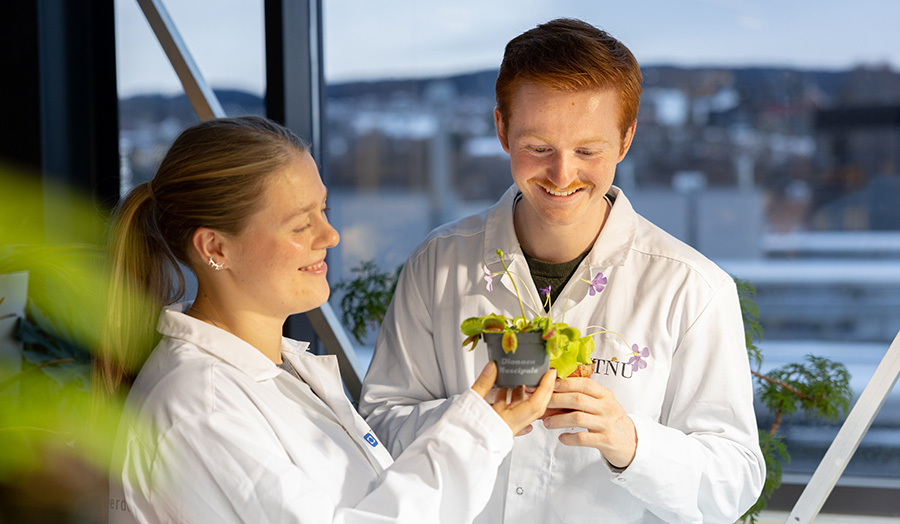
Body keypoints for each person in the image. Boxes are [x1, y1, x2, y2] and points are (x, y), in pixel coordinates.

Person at [360, 18, 766, 524]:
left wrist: (629, 440)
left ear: (625, 140)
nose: (562, 175)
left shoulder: (692, 288)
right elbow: (375, 430)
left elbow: (736, 479)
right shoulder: (438, 265)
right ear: (503, 130)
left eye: (588, 151)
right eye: (538, 147)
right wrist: (473, 419)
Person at [98, 115, 556, 524]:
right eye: (300, 225)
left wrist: (484, 417)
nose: (331, 235)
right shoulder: (203, 408)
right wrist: (474, 435)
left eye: (325, 210)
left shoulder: (275, 370)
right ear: (215, 248)